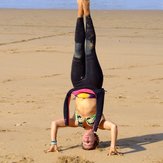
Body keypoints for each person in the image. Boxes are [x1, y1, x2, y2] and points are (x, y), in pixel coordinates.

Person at [46, 0, 121, 156]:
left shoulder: (75, 122)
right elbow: (113, 127)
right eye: (90, 142)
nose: (87, 140)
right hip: (94, 83)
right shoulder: (99, 124)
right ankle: (88, 12)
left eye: (84, 143)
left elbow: (55, 123)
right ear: (95, 139)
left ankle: (79, 13)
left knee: (78, 49)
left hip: (77, 83)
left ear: (81, 139)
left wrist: (53, 142)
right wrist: (112, 146)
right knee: (89, 48)